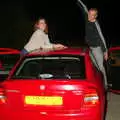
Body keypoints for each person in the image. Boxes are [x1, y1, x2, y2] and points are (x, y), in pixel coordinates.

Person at [77, 0, 108, 88]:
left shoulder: (96, 25)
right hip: (90, 48)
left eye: (92, 15)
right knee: (93, 67)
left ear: (95, 16)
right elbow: (83, 8)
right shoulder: (87, 19)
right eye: (89, 14)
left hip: (97, 48)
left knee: (100, 67)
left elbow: (101, 38)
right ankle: (95, 83)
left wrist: (105, 51)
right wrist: (79, 1)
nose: (89, 16)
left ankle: (105, 85)